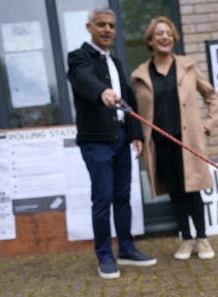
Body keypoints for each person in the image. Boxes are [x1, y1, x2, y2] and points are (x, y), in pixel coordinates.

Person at [67, 7, 156, 279]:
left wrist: (137, 135)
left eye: (111, 26)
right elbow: (83, 80)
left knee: (122, 197)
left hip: (120, 138)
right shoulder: (79, 57)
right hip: (96, 142)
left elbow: (126, 100)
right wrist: (101, 91)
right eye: (101, 25)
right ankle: (104, 255)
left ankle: (127, 249)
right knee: (102, 198)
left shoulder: (115, 63)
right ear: (89, 27)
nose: (107, 30)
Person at [131, 16, 218, 261]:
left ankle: (202, 238)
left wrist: (208, 125)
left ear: (174, 39)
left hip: (188, 143)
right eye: (159, 33)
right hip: (160, 145)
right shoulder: (140, 75)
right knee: (176, 193)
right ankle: (185, 238)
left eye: (168, 34)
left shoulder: (188, 66)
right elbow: (134, 112)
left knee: (193, 191)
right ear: (150, 40)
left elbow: (211, 96)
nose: (164, 37)